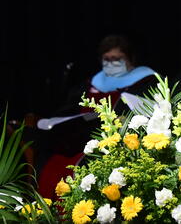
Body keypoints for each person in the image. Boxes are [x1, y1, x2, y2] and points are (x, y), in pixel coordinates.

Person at [35, 34, 159, 199]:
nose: (111, 63)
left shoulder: (145, 81)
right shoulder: (92, 83)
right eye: (106, 59)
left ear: (130, 59)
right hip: (77, 141)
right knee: (50, 160)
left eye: (117, 59)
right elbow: (68, 110)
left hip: (111, 143)